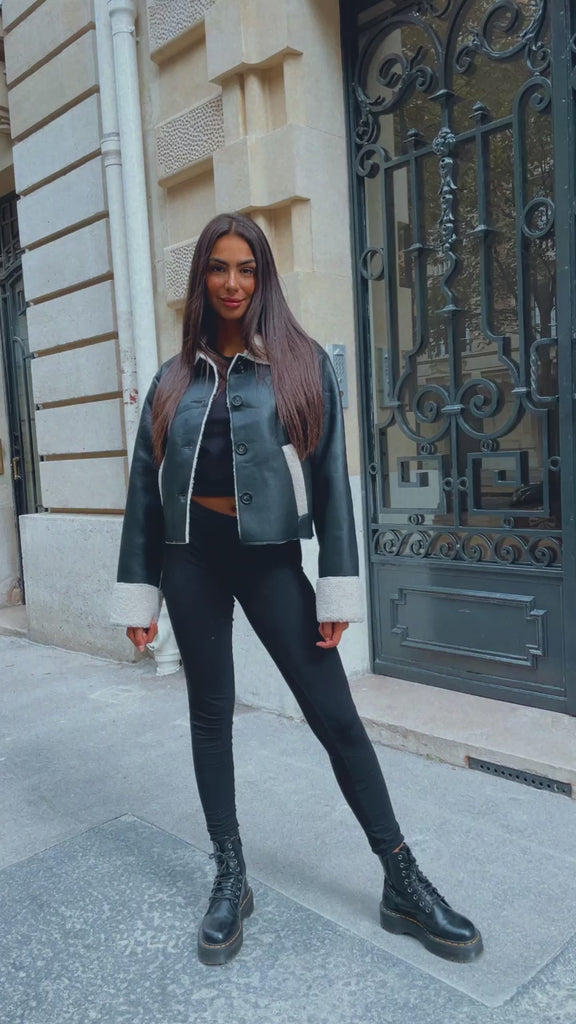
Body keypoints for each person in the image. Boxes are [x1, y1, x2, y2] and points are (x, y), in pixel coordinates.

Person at [110, 212, 482, 967]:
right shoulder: (172, 378)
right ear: (202, 277)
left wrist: (337, 588)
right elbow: (145, 492)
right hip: (189, 559)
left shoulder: (300, 364)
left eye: (246, 268)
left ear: (263, 277)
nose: (233, 282)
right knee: (210, 713)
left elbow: (332, 482)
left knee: (334, 714)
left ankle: (402, 878)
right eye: (219, 267)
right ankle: (231, 875)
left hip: (270, 558)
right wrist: (139, 595)